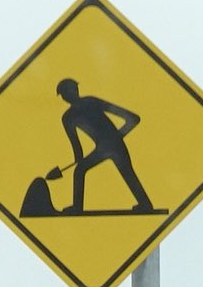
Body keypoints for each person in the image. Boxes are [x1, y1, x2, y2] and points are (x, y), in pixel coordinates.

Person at [56, 78, 155, 214]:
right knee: (80, 170)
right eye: (64, 94)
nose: (66, 96)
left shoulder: (91, 102)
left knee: (126, 173)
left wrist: (116, 137)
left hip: (114, 145)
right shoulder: (68, 117)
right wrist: (79, 159)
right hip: (104, 148)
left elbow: (132, 118)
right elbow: (76, 144)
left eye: (67, 92)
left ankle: (145, 205)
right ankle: (77, 208)